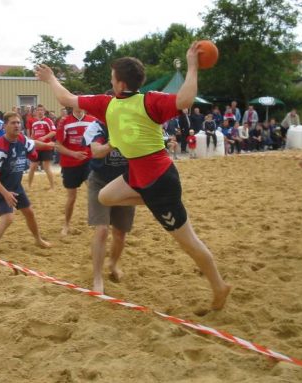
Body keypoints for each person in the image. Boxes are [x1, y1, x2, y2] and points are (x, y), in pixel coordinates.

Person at [36, 41, 231, 310]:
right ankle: (150, 202)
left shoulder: (148, 101)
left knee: (189, 242)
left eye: (112, 77)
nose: (110, 81)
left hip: (161, 180)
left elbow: (185, 100)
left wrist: (192, 66)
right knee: (105, 196)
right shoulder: (108, 104)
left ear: (119, 83)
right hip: (138, 176)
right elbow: (67, 100)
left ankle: (219, 286)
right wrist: (52, 79)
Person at [0, 112, 52, 257]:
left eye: (18, 122)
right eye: (13, 123)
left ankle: (38, 240)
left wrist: (47, 145)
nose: (17, 125)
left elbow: (33, 143)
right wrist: (6, 194)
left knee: (29, 212)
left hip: (14, 185)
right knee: (8, 218)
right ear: (5, 126)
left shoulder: (21, 138)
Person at [84, 120, 136, 293]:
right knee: (102, 229)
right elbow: (96, 151)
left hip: (125, 181)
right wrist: (115, 142)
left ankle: (113, 264)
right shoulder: (97, 126)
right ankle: (97, 277)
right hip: (99, 180)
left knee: (120, 232)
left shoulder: (132, 123)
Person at [55, 106, 96, 235]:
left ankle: (98, 221)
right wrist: (73, 154)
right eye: (76, 102)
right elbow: (58, 146)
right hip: (70, 163)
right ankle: (66, 224)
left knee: (94, 189)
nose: (79, 106)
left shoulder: (92, 120)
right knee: (72, 197)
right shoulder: (65, 121)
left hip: (88, 161)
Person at [26, 104, 56, 189]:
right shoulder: (34, 122)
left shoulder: (48, 120)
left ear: (44, 111)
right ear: (36, 111)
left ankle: (52, 187)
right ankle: (29, 186)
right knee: (32, 167)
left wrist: (44, 137)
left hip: (46, 147)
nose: (39, 111)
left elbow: (54, 132)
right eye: (38, 110)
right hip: (36, 148)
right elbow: (32, 135)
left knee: (46, 167)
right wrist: (31, 144)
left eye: (41, 110)